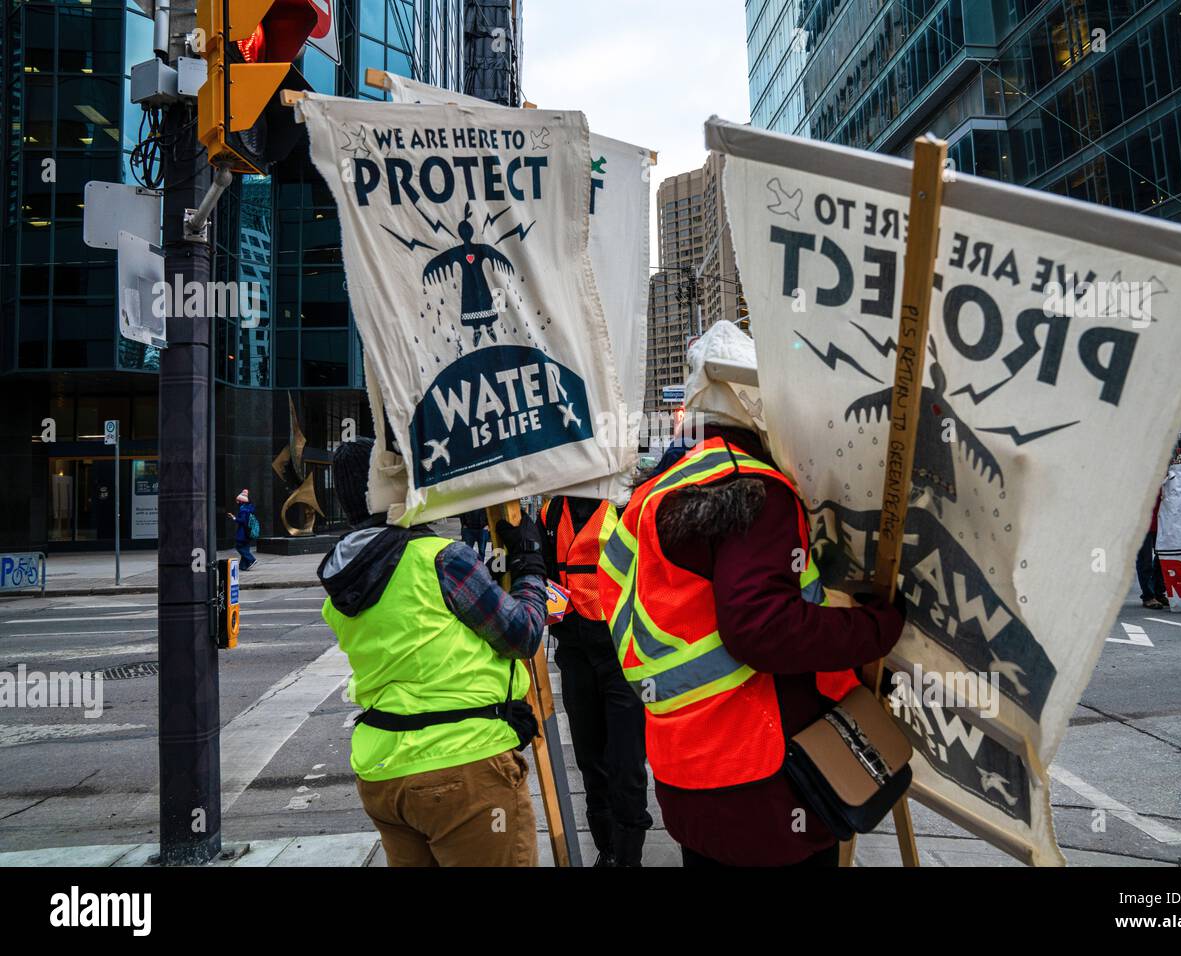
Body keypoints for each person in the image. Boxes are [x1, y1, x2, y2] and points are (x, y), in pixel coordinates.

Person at [597, 321, 907, 867]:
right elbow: (761, 629)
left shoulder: (652, 496)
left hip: (687, 776)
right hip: (764, 783)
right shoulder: (751, 485)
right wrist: (875, 629)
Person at [319, 437, 548, 866]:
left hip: (383, 774)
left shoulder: (341, 579)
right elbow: (522, 634)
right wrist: (530, 566)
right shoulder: (438, 558)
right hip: (462, 768)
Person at [540, 494, 651, 866]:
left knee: (626, 766)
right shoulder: (551, 512)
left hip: (622, 657)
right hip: (575, 655)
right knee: (590, 762)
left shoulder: (626, 505)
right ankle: (607, 851)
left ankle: (629, 858)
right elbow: (542, 576)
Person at [1135, 491, 1168, 609]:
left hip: (1161, 522)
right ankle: (1148, 596)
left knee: (1163, 558)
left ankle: (1159, 592)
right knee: (1145, 560)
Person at [227, 489, 257, 571]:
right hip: (249, 531)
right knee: (245, 548)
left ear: (241, 501)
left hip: (243, 532)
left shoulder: (243, 510)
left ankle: (251, 559)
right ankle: (243, 566)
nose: (237, 502)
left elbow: (242, 521)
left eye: (238, 501)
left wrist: (234, 517)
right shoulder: (250, 508)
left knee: (239, 547)